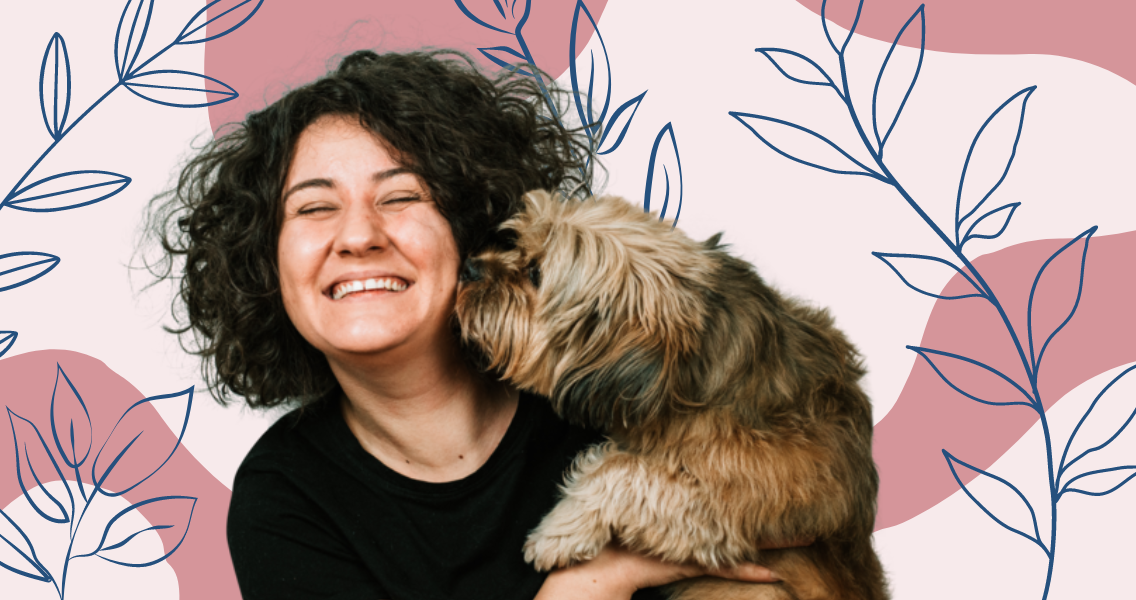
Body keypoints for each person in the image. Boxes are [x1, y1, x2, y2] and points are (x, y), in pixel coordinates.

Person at [151, 49, 790, 599]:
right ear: (264, 262)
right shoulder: (284, 499)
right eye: (315, 208)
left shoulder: (618, 381)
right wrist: (596, 580)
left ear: (469, 224)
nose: (358, 236)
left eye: (400, 196)